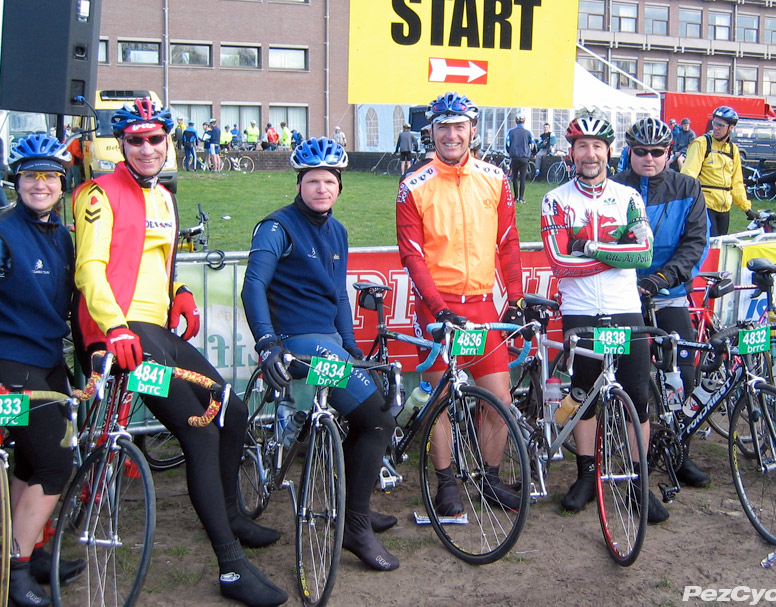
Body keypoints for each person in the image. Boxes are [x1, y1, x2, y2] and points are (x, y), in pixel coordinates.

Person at [71, 98, 287, 607]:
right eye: (136, 140)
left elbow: (161, 266)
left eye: (156, 139)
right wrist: (115, 327)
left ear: (168, 142)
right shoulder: (97, 194)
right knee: (199, 433)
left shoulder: (164, 198)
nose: (147, 148)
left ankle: (230, 512)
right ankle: (230, 565)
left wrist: (180, 294)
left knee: (231, 410)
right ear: (121, 145)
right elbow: (90, 270)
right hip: (118, 332)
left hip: (156, 329)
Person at [241, 137, 399, 572]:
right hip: (296, 341)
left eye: (330, 181)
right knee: (378, 419)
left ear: (340, 186)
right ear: (299, 183)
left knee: (373, 413)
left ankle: (353, 505)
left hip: (330, 342)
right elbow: (253, 285)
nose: (322, 188)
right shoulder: (276, 227)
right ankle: (354, 525)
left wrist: (350, 346)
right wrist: (267, 342)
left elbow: (339, 298)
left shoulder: (339, 231)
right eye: (313, 180)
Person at [396, 91, 526, 515]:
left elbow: (508, 244)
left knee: (500, 401)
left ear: (473, 130)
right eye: (442, 127)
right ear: (430, 132)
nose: (451, 135)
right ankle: (446, 484)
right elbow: (412, 256)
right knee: (439, 401)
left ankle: (489, 480)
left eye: (459, 126)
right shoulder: (413, 185)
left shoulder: (495, 177)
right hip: (437, 309)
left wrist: (516, 297)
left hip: (483, 306)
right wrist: (438, 307)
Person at [540, 108, 668, 523]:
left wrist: (591, 247)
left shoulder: (629, 197)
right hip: (580, 311)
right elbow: (559, 262)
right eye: (582, 146)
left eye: (597, 146)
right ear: (571, 151)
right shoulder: (554, 200)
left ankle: (637, 484)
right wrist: (616, 253)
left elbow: (644, 254)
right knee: (584, 398)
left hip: (625, 308)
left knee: (639, 400)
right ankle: (585, 475)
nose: (590, 154)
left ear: (609, 151)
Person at [1, 134, 84, 607]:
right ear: (16, 181)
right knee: (55, 462)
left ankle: (26, 553)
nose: (40, 184)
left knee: (32, 460)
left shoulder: (63, 237)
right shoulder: (4, 231)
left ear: (62, 183)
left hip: (49, 362)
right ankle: (14, 575)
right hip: (11, 363)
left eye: (49, 176)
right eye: (30, 175)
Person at [613, 118, 711, 498]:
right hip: (623, 292)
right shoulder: (615, 188)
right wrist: (631, 279)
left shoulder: (688, 187)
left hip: (668, 291)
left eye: (657, 152)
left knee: (682, 375)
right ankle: (629, 457)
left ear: (670, 153)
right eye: (641, 152)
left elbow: (694, 243)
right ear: (630, 152)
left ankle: (678, 452)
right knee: (632, 380)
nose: (649, 159)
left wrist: (662, 278)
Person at [681, 105, 757, 237]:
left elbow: (737, 183)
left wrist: (747, 208)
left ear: (731, 128)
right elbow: (688, 177)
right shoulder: (701, 144)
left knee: (720, 248)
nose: (715, 127)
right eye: (714, 123)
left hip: (724, 208)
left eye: (720, 125)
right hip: (705, 205)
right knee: (710, 247)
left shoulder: (733, 150)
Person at [505, 113, 535, 203]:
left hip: (514, 157)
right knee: (522, 178)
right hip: (524, 157)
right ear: (524, 121)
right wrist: (532, 153)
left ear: (516, 121)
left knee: (514, 177)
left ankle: (516, 197)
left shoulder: (511, 132)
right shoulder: (528, 132)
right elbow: (533, 144)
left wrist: (510, 152)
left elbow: (507, 144)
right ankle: (521, 198)